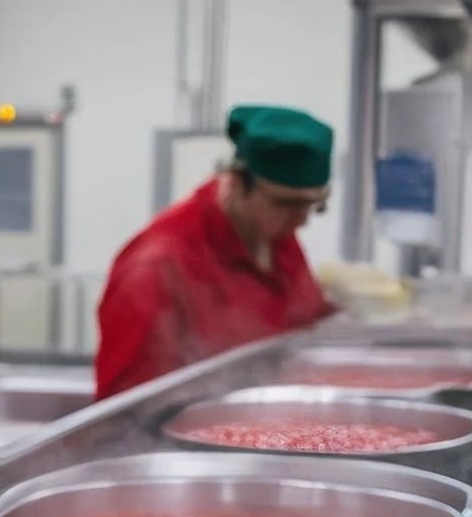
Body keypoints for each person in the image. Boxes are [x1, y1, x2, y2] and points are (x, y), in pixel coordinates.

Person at [93, 104, 340, 399]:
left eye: (313, 205)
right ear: (235, 183)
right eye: (286, 204)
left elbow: (299, 321)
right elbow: (125, 407)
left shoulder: (276, 237)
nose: (301, 221)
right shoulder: (158, 266)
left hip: (272, 415)